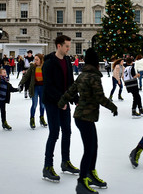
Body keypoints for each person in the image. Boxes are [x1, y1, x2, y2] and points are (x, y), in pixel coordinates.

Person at [58, 48, 118, 194]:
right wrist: (112, 106)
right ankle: (82, 182)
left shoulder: (82, 75)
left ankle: (90, 174)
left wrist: (61, 102)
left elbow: (70, 91)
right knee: (89, 149)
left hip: (83, 117)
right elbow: (99, 97)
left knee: (93, 146)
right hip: (85, 117)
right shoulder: (93, 77)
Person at [42, 35, 79, 182]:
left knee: (67, 132)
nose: (69, 49)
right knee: (54, 133)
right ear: (59, 46)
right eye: (67, 46)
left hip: (64, 102)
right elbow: (48, 86)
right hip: (52, 103)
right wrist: (61, 100)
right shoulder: (49, 63)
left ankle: (65, 162)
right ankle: (47, 166)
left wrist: (76, 99)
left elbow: (70, 83)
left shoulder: (67, 61)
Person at [19, 53, 47, 129]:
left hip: (43, 88)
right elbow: (27, 76)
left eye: (37, 59)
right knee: (34, 104)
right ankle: (32, 119)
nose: (35, 61)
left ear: (41, 60)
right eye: (35, 59)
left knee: (42, 105)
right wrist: (21, 83)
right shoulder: (32, 67)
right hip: (35, 88)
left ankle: (42, 118)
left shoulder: (45, 66)